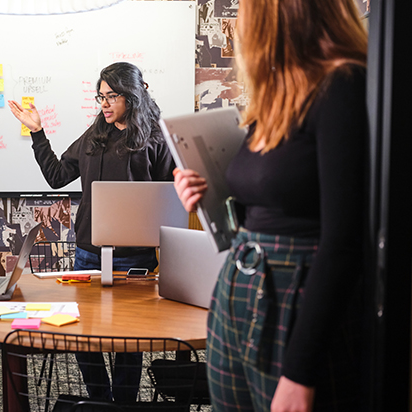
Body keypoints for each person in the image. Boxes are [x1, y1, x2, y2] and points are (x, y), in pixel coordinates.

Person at [173, 0, 368, 411]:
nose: (244, 22)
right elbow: (264, 201)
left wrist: (300, 372)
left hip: (293, 303)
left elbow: (344, 241)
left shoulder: (343, 84)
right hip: (241, 295)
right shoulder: (279, 94)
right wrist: (204, 194)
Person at [8, 62, 175, 403]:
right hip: (88, 250)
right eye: (100, 97)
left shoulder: (157, 138)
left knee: (128, 338)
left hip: (134, 254)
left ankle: (124, 402)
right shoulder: (94, 135)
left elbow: (171, 198)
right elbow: (56, 176)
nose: (105, 104)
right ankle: (100, 398)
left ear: (133, 94)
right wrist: (37, 133)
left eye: (112, 96)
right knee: (84, 332)